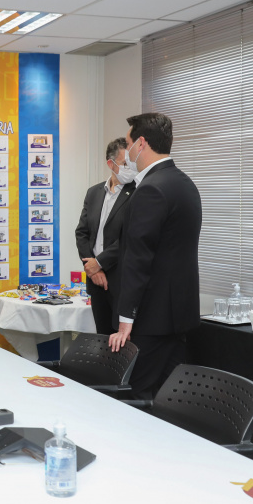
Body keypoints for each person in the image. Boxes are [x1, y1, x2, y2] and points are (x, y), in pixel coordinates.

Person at [109, 113, 202, 399]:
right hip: (179, 317)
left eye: (128, 144)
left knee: (135, 397)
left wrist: (126, 320)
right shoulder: (185, 184)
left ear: (141, 143)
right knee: (168, 401)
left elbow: (138, 259)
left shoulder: (150, 189)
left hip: (150, 319)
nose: (128, 153)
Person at [75, 138, 137, 334]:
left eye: (132, 163)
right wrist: (93, 269)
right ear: (111, 164)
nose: (130, 168)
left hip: (121, 282)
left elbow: (130, 238)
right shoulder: (93, 192)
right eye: (125, 163)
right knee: (101, 338)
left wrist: (99, 262)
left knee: (122, 341)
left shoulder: (138, 193)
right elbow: (82, 232)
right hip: (96, 282)